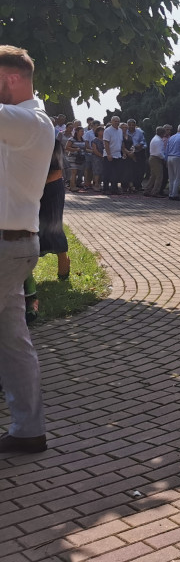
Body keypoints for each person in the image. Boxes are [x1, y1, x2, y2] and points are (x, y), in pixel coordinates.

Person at [0, 46, 54, 453]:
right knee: (13, 340)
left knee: (14, 341)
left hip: (6, 246)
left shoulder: (28, 121)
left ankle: (28, 428)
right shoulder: (19, 125)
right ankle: (28, 430)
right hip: (14, 245)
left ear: (12, 78)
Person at [38, 139, 71, 280]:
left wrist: (34, 185)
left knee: (53, 226)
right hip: (30, 190)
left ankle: (63, 266)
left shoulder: (53, 143)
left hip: (51, 189)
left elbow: (57, 172)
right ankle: (26, 273)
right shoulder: (24, 141)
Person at [102, 115, 124, 194]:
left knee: (116, 173)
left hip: (118, 155)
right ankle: (105, 189)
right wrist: (108, 154)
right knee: (107, 172)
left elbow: (121, 142)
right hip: (109, 154)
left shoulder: (120, 131)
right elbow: (106, 143)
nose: (117, 123)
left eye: (118, 121)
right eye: (115, 121)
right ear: (111, 122)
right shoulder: (108, 130)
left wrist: (123, 152)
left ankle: (114, 188)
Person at [144, 125, 166, 196]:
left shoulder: (154, 138)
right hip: (156, 158)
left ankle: (147, 189)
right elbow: (159, 152)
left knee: (153, 176)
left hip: (152, 157)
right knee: (159, 176)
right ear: (162, 133)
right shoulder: (159, 140)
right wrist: (164, 158)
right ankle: (155, 192)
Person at [67, 126, 87, 191]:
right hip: (73, 158)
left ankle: (72, 186)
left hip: (80, 159)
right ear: (77, 132)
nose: (82, 133)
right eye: (81, 131)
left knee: (76, 172)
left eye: (83, 131)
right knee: (74, 172)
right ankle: (73, 186)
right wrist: (75, 149)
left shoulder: (83, 140)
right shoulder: (71, 139)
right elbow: (67, 147)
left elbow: (85, 148)